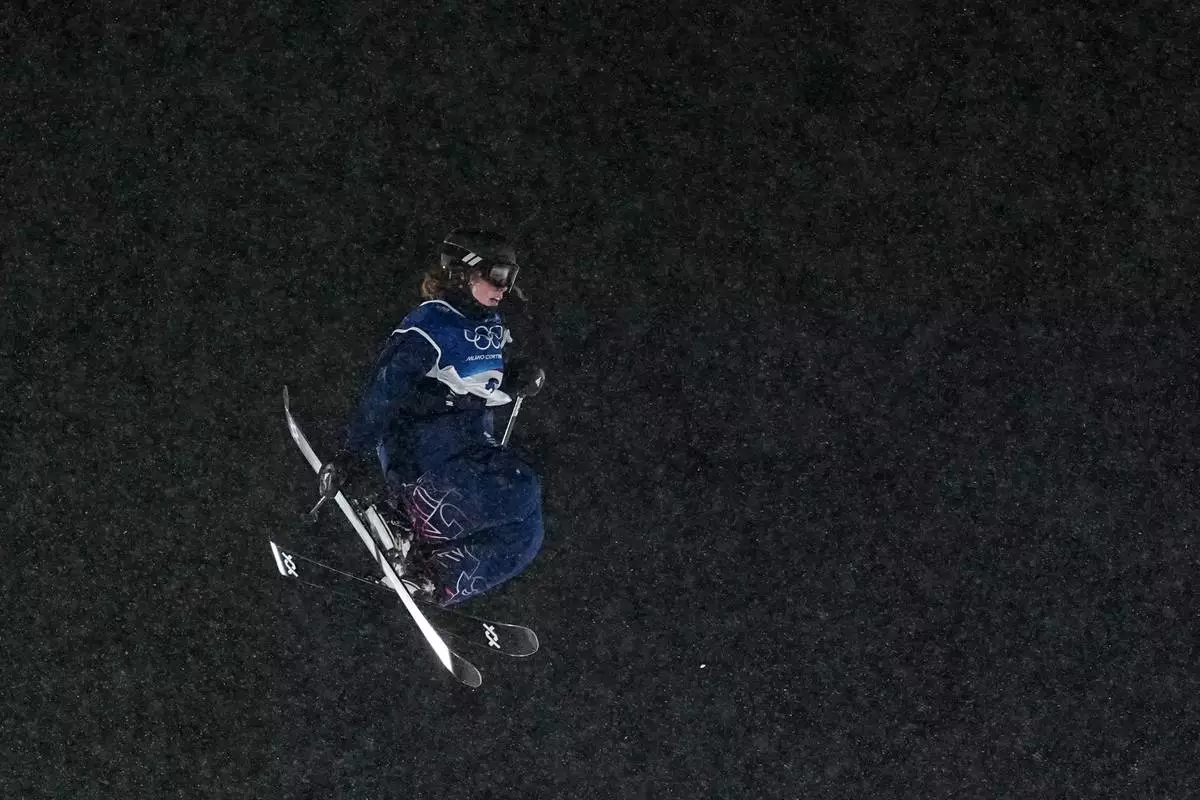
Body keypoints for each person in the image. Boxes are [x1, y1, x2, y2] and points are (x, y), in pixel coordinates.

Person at [317, 229, 546, 606]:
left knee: (527, 532)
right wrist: (350, 454)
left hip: (471, 450)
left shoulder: (491, 326)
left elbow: (478, 378)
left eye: (511, 277)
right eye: (498, 275)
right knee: (521, 489)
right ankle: (403, 517)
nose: (505, 287)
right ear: (463, 272)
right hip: (427, 454)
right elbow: (385, 390)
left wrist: (515, 375)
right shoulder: (432, 324)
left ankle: (431, 579)